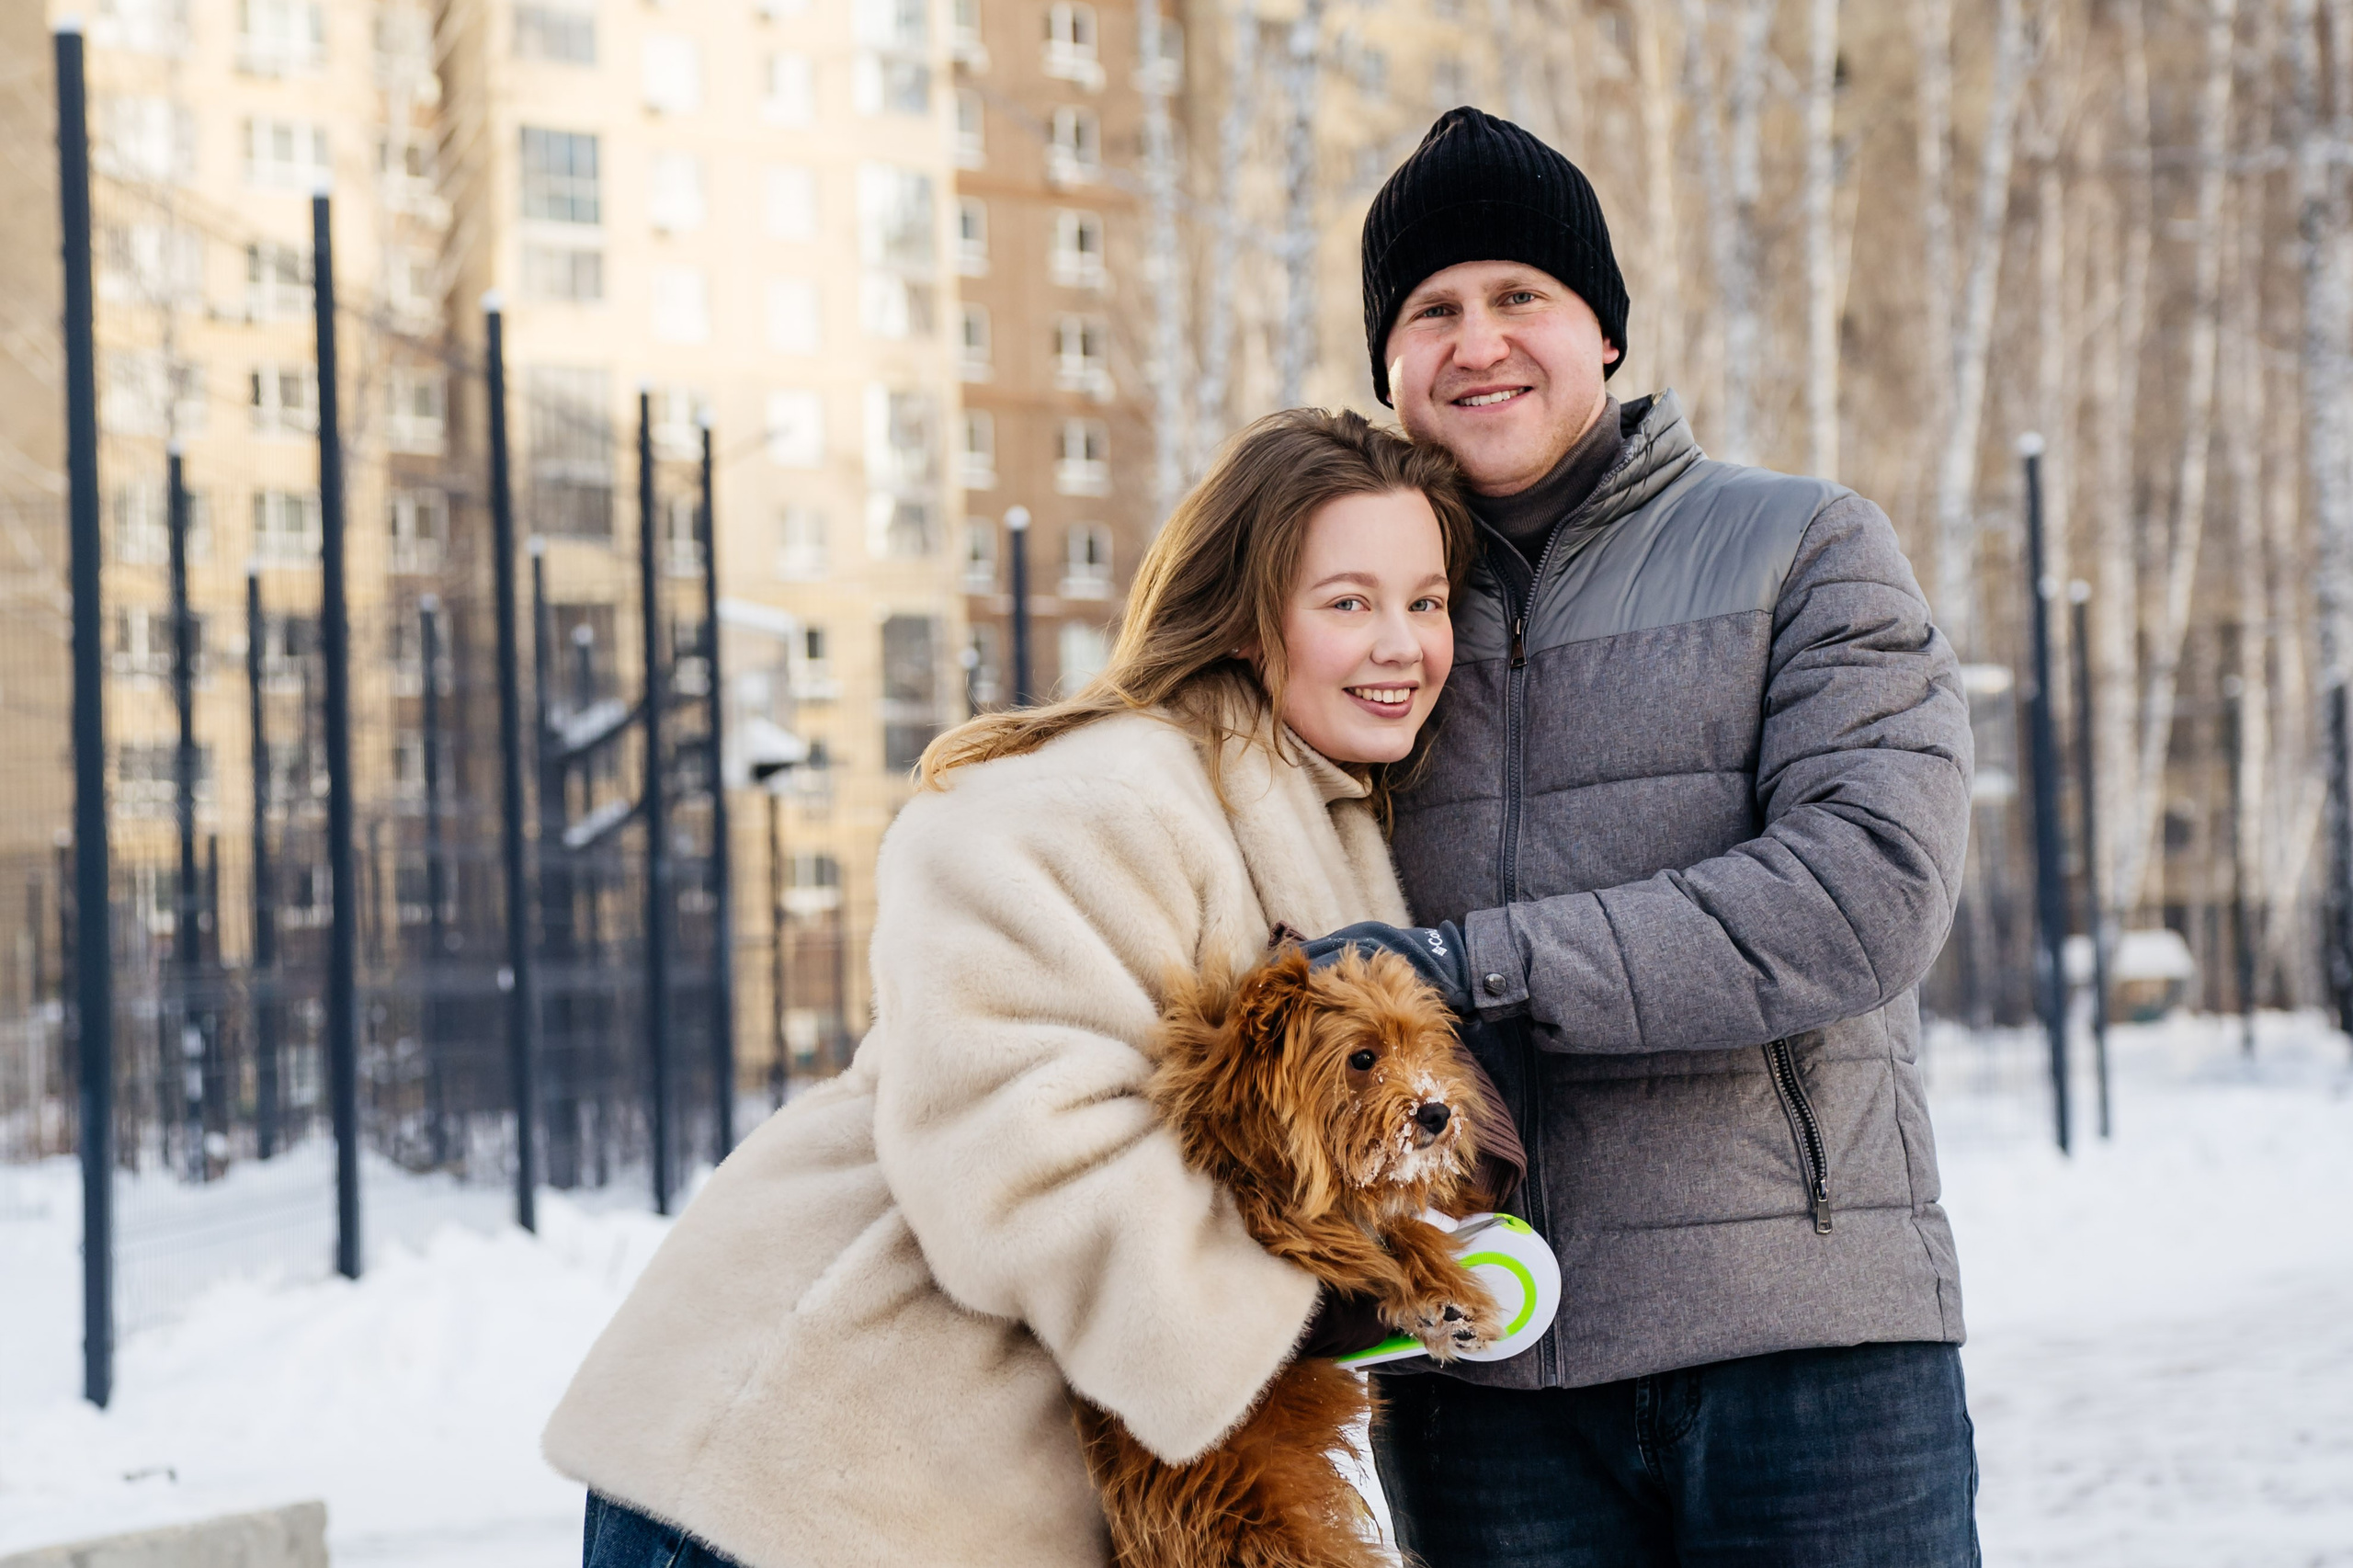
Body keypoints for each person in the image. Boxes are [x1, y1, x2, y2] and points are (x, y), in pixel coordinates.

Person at [540, 408, 1478, 1568]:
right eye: (1348, 601)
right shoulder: (1112, 787)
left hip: (925, 1493)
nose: (1401, 644)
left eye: (1425, 600)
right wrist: (1343, 1281)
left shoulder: (1305, 814)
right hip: (799, 1462)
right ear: (1244, 616)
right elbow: (1011, 1139)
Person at [1336, 108, 1982, 1566]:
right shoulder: (1360, 613)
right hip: (1482, 1373)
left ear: (1605, 332)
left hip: (1807, 1350)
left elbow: (1863, 893)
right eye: (1430, 310)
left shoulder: (1803, 546)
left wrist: (1461, 965)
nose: (1476, 341)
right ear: (1387, 362)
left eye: (1521, 298)